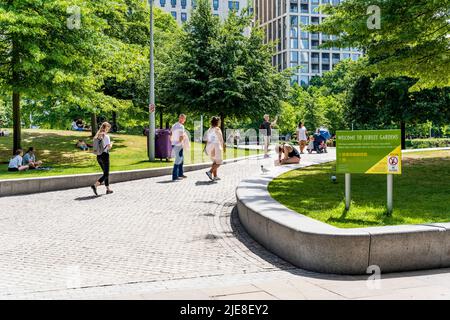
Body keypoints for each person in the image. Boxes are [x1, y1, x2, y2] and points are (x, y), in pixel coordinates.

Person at [91, 122, 114, 196]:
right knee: (106, 174)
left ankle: (108, 189)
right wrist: (111, 144)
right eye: (108, 128)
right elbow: (108, 147)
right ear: (106, 127)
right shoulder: (106, 136)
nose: (108, 130)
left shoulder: (97, 136)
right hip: (105, 155)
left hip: (99, 156)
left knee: (105, 173)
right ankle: (95, 185)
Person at [205, 116, 224, 181]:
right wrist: (223, 147)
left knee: (215, 162)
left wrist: (206, 149)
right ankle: (210, 172)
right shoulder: (217, 129)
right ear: (217, 122)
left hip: (209, 146)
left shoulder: (209, 129)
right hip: (216, 146)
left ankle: (215, 176)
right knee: (219, 162)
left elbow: (207, 139)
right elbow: (221, 139)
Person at [171, 114, 187, 181]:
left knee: (181, 159)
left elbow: (171, 133)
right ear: (181, 118)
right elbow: (181, 136)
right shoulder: (181, 126)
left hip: (174, 144)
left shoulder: (174, 125)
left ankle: (180, 173)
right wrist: (181, 143)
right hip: (178, 144)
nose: (184, 120)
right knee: (178, 160)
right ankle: (175, 176)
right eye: (183, 118)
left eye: (184, 119)